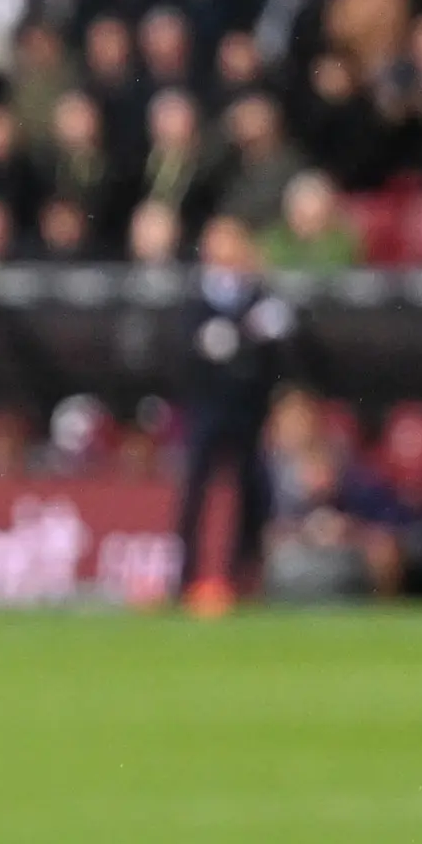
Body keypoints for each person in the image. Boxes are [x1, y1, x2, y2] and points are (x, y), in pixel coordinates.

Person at [173, 216, 296, 613]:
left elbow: (280, 347)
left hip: (249, 410)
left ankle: (241, 577)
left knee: (251, 493)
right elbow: (187, 346)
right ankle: (185, 578)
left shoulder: (261, 295)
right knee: (195, 492)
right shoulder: (197, 296)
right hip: (208, 408)